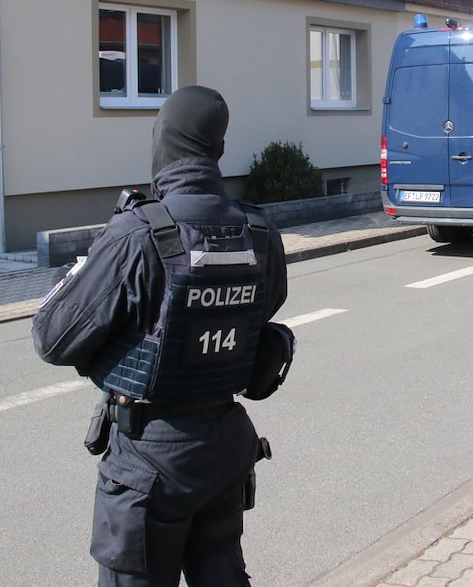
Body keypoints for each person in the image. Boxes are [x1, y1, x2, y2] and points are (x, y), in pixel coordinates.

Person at [32, 85, 290, 587]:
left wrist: (76, 274)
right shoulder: (260, 233)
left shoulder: (135, 234)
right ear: (216, 147)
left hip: (148, 460)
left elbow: (53, 338)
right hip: (225, 449)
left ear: (164, 140)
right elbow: (265, 307)